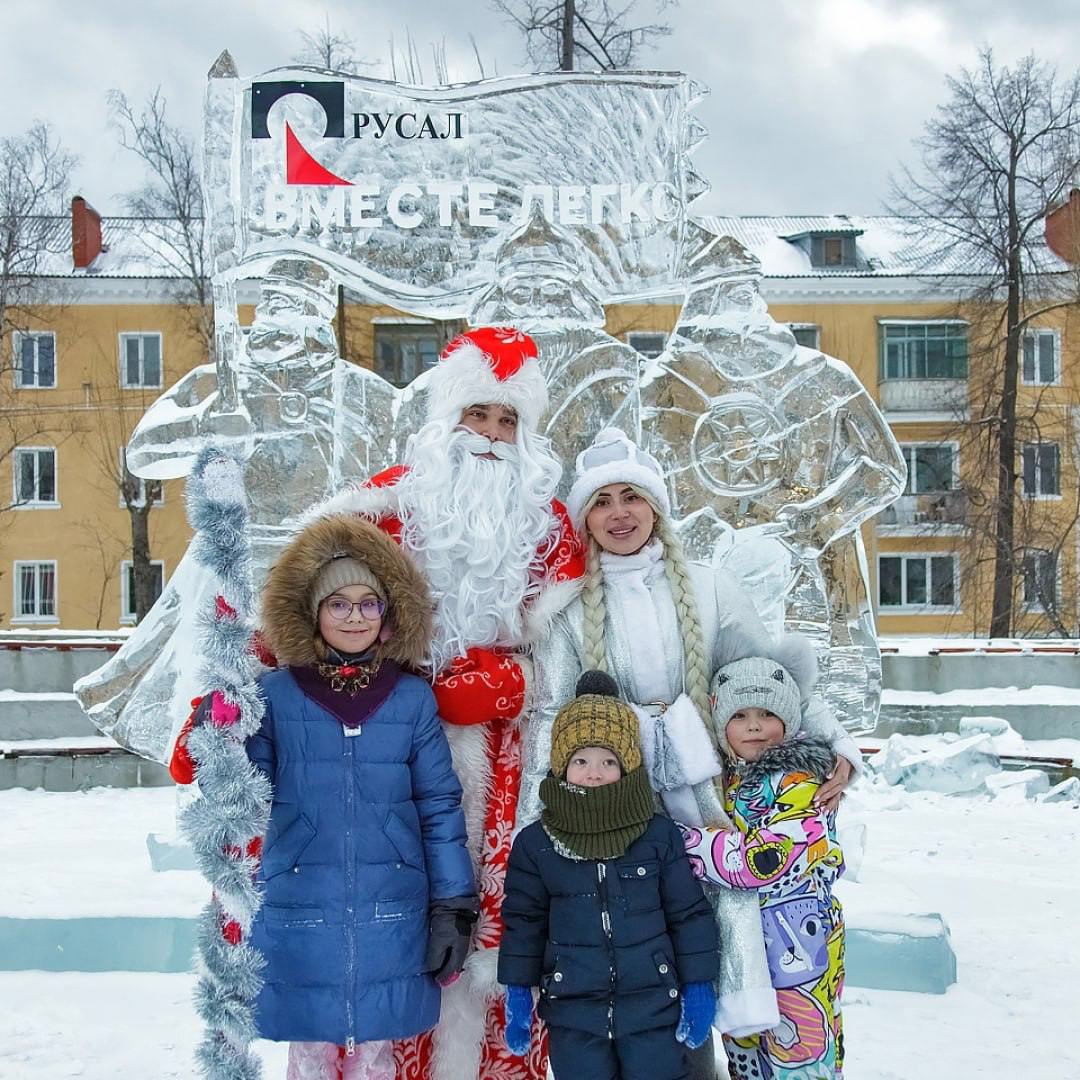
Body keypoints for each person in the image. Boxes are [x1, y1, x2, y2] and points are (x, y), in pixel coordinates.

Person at [523, 428, 860, 1076]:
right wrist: (536, 832)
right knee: (635, 979)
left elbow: (767, 677)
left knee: (716, 969)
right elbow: (553, 723)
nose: (619, 513)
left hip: (711, 809)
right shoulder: (567, 612)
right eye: (602, 501)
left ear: (655, 505)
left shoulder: (709, 587)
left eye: (632, 496)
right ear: (585, 517)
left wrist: (834, 742)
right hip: (611, 820)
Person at [305, 326, 585, 1080]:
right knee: (392, 947)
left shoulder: (553, 533)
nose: (493, 438)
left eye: (509, 422)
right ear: (445, 419)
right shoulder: (378, 512)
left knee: (498, 951)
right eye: (478, 416)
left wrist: (521, 682)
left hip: (510, 772)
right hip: (391, 769)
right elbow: (305, 621)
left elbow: (585, 650)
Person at [244, 512, 478, 1080]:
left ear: (389, 617)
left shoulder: (410, 699)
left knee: (376, 1053)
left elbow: (439, 805)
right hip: (301, 900)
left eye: (368, 603)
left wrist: (454, 904)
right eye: (338, 604)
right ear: (313, 614)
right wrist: (221, 727)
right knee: (312, 1052)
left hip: (389, 906)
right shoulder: (274, 695)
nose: (354, 616)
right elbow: (244, 795)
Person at [499, 671, 719, 1080]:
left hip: (654, 1006)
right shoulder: (536, 844)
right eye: (581, 760)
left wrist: (698, 985)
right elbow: (524, 921)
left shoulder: (657, 835)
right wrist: (516, 990)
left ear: (628, 766)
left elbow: (688, 913)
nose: (594, 772)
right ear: (561, 765)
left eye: (608, 761)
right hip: (572, 1011)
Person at [681, 647, 846, 1080]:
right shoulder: (728, 782)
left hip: (799, 950)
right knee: (746, 1062)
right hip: (744, 951)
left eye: (767, 713)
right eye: (739, 715)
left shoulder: (802, 783)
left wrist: (686, 845)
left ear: (789, 720)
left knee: (800, 1061)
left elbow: (762, 860)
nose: (754, 725)